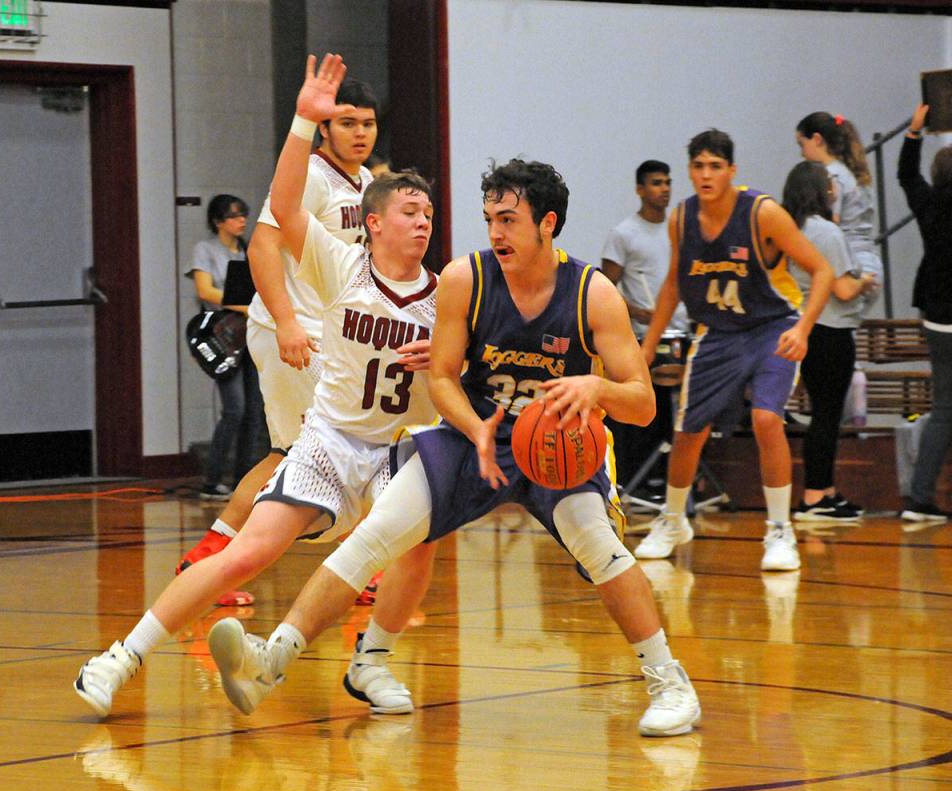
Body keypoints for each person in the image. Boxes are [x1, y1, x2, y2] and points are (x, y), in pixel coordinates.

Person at [206, 135, 703, 736]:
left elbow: (645, 404)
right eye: (490, 218)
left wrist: (595, 391)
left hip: (559, 445)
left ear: (547, 224)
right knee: (383, 530)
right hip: (477, 432)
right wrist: (476, 426)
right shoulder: (466, 278)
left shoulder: (591, 293)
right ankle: (274, 660)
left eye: (509, 220)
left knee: (595, 541)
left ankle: (670, 682)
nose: (495, 232)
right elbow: (441, 376)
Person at [74, 54, 438, 719]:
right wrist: (302, 121)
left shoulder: (446, 300)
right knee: (262, 543)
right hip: (327, 424)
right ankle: (122, 655)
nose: (419, 222)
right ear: (374, 222)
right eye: (406, 211)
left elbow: (465, 390)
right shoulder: (341, 263)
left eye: (428, 214)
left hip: (390, 447)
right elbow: (279, 224)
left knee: (419, 538)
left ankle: (367, 661)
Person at [175, 76, 382, 608]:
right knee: (354, 441)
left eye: (368, 123)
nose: (359, 133)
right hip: (292, 331)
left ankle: (207, 557)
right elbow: (263, 248)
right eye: (347, 123)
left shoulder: (362, 184)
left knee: (286, 453)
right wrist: (287, 322)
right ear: (324, 130)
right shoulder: (309, 175)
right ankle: (360, 565)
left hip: (326, 333)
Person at [635, 129, 834, 571]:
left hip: (772, 327)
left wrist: (803, 329)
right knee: (688, 431)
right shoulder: (682, 220)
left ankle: (780, 530)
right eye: (699, 166)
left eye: (715, 166)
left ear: (731, 171)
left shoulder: (762, 213)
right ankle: (672, 520)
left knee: (766, 418)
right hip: (719, 333)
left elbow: (822, 271)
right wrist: (645, 350)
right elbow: (672, 285)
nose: (706, 174)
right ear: (690, 171)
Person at [781, 162, 875, 521]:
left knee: (825, 413)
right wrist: (865, 280)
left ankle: (827, 490)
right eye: (829, 184)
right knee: (826, 415)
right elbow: (843, 288)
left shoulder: (787, 228)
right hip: (831, 329)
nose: (834, 189)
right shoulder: (825, 233)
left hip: (804, 327)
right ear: (821, 191)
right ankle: (814, 497)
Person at [601, 160, 689, 492]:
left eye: (667, 182)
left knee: (683, 410)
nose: (664, 188)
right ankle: (640, 478)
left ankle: (676, 480)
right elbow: (606, 291)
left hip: (681, 331)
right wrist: (639, 313)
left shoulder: (678, 230)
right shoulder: (624, 234)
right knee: (647, 406)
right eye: (656, 183)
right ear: (640, 189)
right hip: (644, 336)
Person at [186, 194, 269, 501]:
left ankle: (242, 480)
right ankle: (212, 478)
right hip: (221, 336)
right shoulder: (204, 250)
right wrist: (244, 306)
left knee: (254, 411)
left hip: (249, 334)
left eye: (243, 215)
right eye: (234, 216)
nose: (241, 221)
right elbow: (204, 290)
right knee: (234, 408)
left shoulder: (248, 250)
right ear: (218, 221)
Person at [898, 103, 952, 522]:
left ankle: (919, 499)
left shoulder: (929, 205)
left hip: (936, 315)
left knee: (944, 409)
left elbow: (904, 175)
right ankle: (919, 499)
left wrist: (914, 132)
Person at [796, 112, 882, 314]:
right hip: (867, 262)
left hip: (850, 268)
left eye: (802, 144)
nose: (801, 153)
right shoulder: (853, 173)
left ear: (817, 140)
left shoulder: (831, 176)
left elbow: (830, 224)